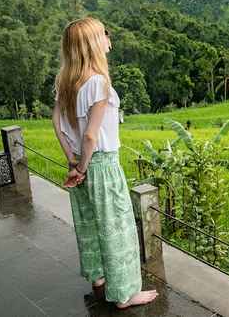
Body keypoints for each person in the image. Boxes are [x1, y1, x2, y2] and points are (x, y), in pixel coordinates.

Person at [51, 17, 158, 309]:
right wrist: (83, 167)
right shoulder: (98, 83)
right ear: (93, 44)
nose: (109, 38)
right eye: (104, 34)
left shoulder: (65, 81)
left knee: (89, 224)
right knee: (117, 227)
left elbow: (57, 124)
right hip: (101, 165)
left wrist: (72, 164)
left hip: (79, 165)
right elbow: (90, 136)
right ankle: (124, 294)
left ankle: (98, 280)